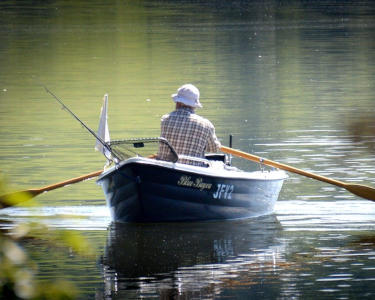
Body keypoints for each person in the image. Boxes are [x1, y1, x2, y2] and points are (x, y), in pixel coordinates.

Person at [157, 84, 221, 166]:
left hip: (165, 168)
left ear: (178, 102)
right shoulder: (206, 125)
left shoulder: (165, 119)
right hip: (193, 169)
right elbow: (213, 149)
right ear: (194, 105)